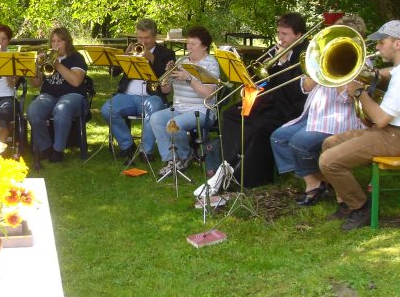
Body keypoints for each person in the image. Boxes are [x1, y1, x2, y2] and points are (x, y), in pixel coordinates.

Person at [319, 20, 400, 231]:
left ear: (397, 44)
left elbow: (380, 119)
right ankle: (346, 204)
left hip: (396, 137)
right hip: (387, 133)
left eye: (382, 42)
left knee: (328, 161)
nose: (377, 47)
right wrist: (372, 75)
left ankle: (362, 208)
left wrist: (360, 93)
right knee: (329, 143)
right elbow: (389, 74)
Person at [270, 15, 368, 205]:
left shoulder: (362, 64)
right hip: (315, 116)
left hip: (339, 120)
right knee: (278, 137)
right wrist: (318, 71)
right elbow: (305, 88)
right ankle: (316, 180)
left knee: (299, 142)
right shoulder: (329, 56)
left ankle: (318, 185)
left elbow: (346, 98)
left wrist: (339, 72)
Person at [218, 13, 310, 188]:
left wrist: (282, 63)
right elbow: (258, 78)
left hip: (291, 107)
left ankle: (253, 176)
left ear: (298, 35)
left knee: (258, 126)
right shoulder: (276, 49)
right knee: (231, 114)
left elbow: (296, 90)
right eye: (278, 33)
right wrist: (267, 66)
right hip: (272, 100)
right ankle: (229, 165)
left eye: (285, 34)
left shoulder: (304, 54)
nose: (280, 38)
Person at [100, 18, 175, 162]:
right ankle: (127, 145)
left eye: (146, 38)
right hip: (127, 95)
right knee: (107, 109)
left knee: (153, 108)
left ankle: (146, 151)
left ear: (155, 37)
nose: (143, 41)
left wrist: (151, 58)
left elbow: (164, 77)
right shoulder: (132, 49)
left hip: (152, 96)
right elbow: (113, 72)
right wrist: (124, 57)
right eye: (140, 37)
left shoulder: (167, 54)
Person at [149, 26, 220, 177]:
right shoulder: (182, 61)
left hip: (201, 110)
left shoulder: (210, 63)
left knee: (173, 125)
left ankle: (185, 155)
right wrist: (166, 77)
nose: (189, 47)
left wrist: (188, 79)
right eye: (188, 44)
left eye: (193, 44)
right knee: (155, 118)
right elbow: (166, 91)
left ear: (204, 46)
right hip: (178, 108)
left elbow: (208, 94)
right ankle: (170, 159)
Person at [27, 27, 88, 166]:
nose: (55, 44)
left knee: (62, 109)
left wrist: (58, 66)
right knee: (33, 111)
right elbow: (35, 84)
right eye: (53, 41)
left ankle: (58, 150)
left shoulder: (76, 58)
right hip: (48, 96)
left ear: (67, 42)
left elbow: (76, 81)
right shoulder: (48, 59)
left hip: (73, 95)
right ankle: (46, 147)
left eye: (59, 41)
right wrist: (37, 67)